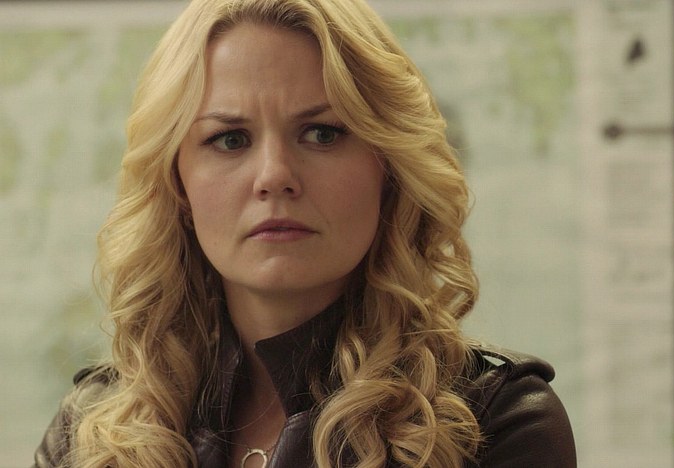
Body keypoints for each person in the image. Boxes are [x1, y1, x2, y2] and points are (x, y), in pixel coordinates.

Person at [33, 0, 576, 467]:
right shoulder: (90, 433)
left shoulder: (492, 424)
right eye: (230, 139)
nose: (274, 176)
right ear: (178, 185)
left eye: (321, 133)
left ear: (388, 170)